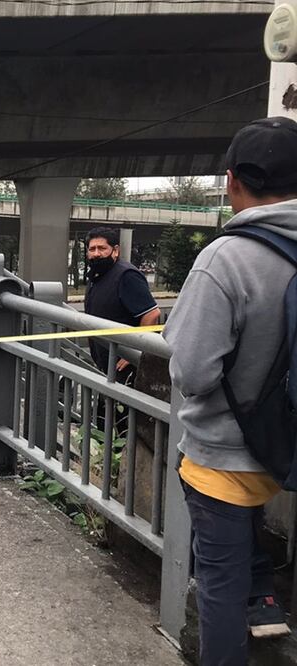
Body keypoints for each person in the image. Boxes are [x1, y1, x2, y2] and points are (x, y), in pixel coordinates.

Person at [166, 117, 297, 664]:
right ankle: (266, 600)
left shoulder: (226, 258)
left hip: (226, 459)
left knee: (220, 587)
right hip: (287, 449)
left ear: (231, 181)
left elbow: (192, 373)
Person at [83, 226, 160, 381]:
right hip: (106, 362)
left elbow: (152, 314)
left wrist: (135, 351)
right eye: (92, 249)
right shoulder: (97, 276)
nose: (96, 253)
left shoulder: (126, 276)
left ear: (115, 251)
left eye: (102, 248)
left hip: (125, 368)